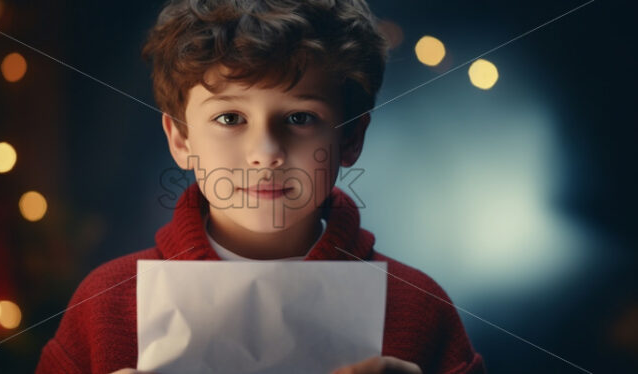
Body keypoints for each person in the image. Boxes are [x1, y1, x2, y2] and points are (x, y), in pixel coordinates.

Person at [36, 0, 486, 372]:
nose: (266, 152)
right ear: (180, 138)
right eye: (230, 118)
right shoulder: (107, 306)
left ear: (350, 138)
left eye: (300, 118)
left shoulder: (421, 312)